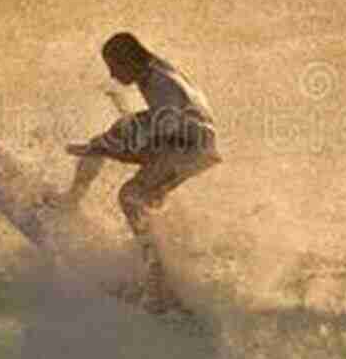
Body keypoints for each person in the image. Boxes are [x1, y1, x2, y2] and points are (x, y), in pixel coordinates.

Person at [52, 32, 221, 313]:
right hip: (190, 140)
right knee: (106, 150)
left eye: (115, 67)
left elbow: (169, 121)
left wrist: (125, 145)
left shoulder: (160, 82)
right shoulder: (154, 70)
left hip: (189, 147)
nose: (113, 74)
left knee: (131, 195)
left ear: (130, 60)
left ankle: (160, 278)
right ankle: (73, 202)